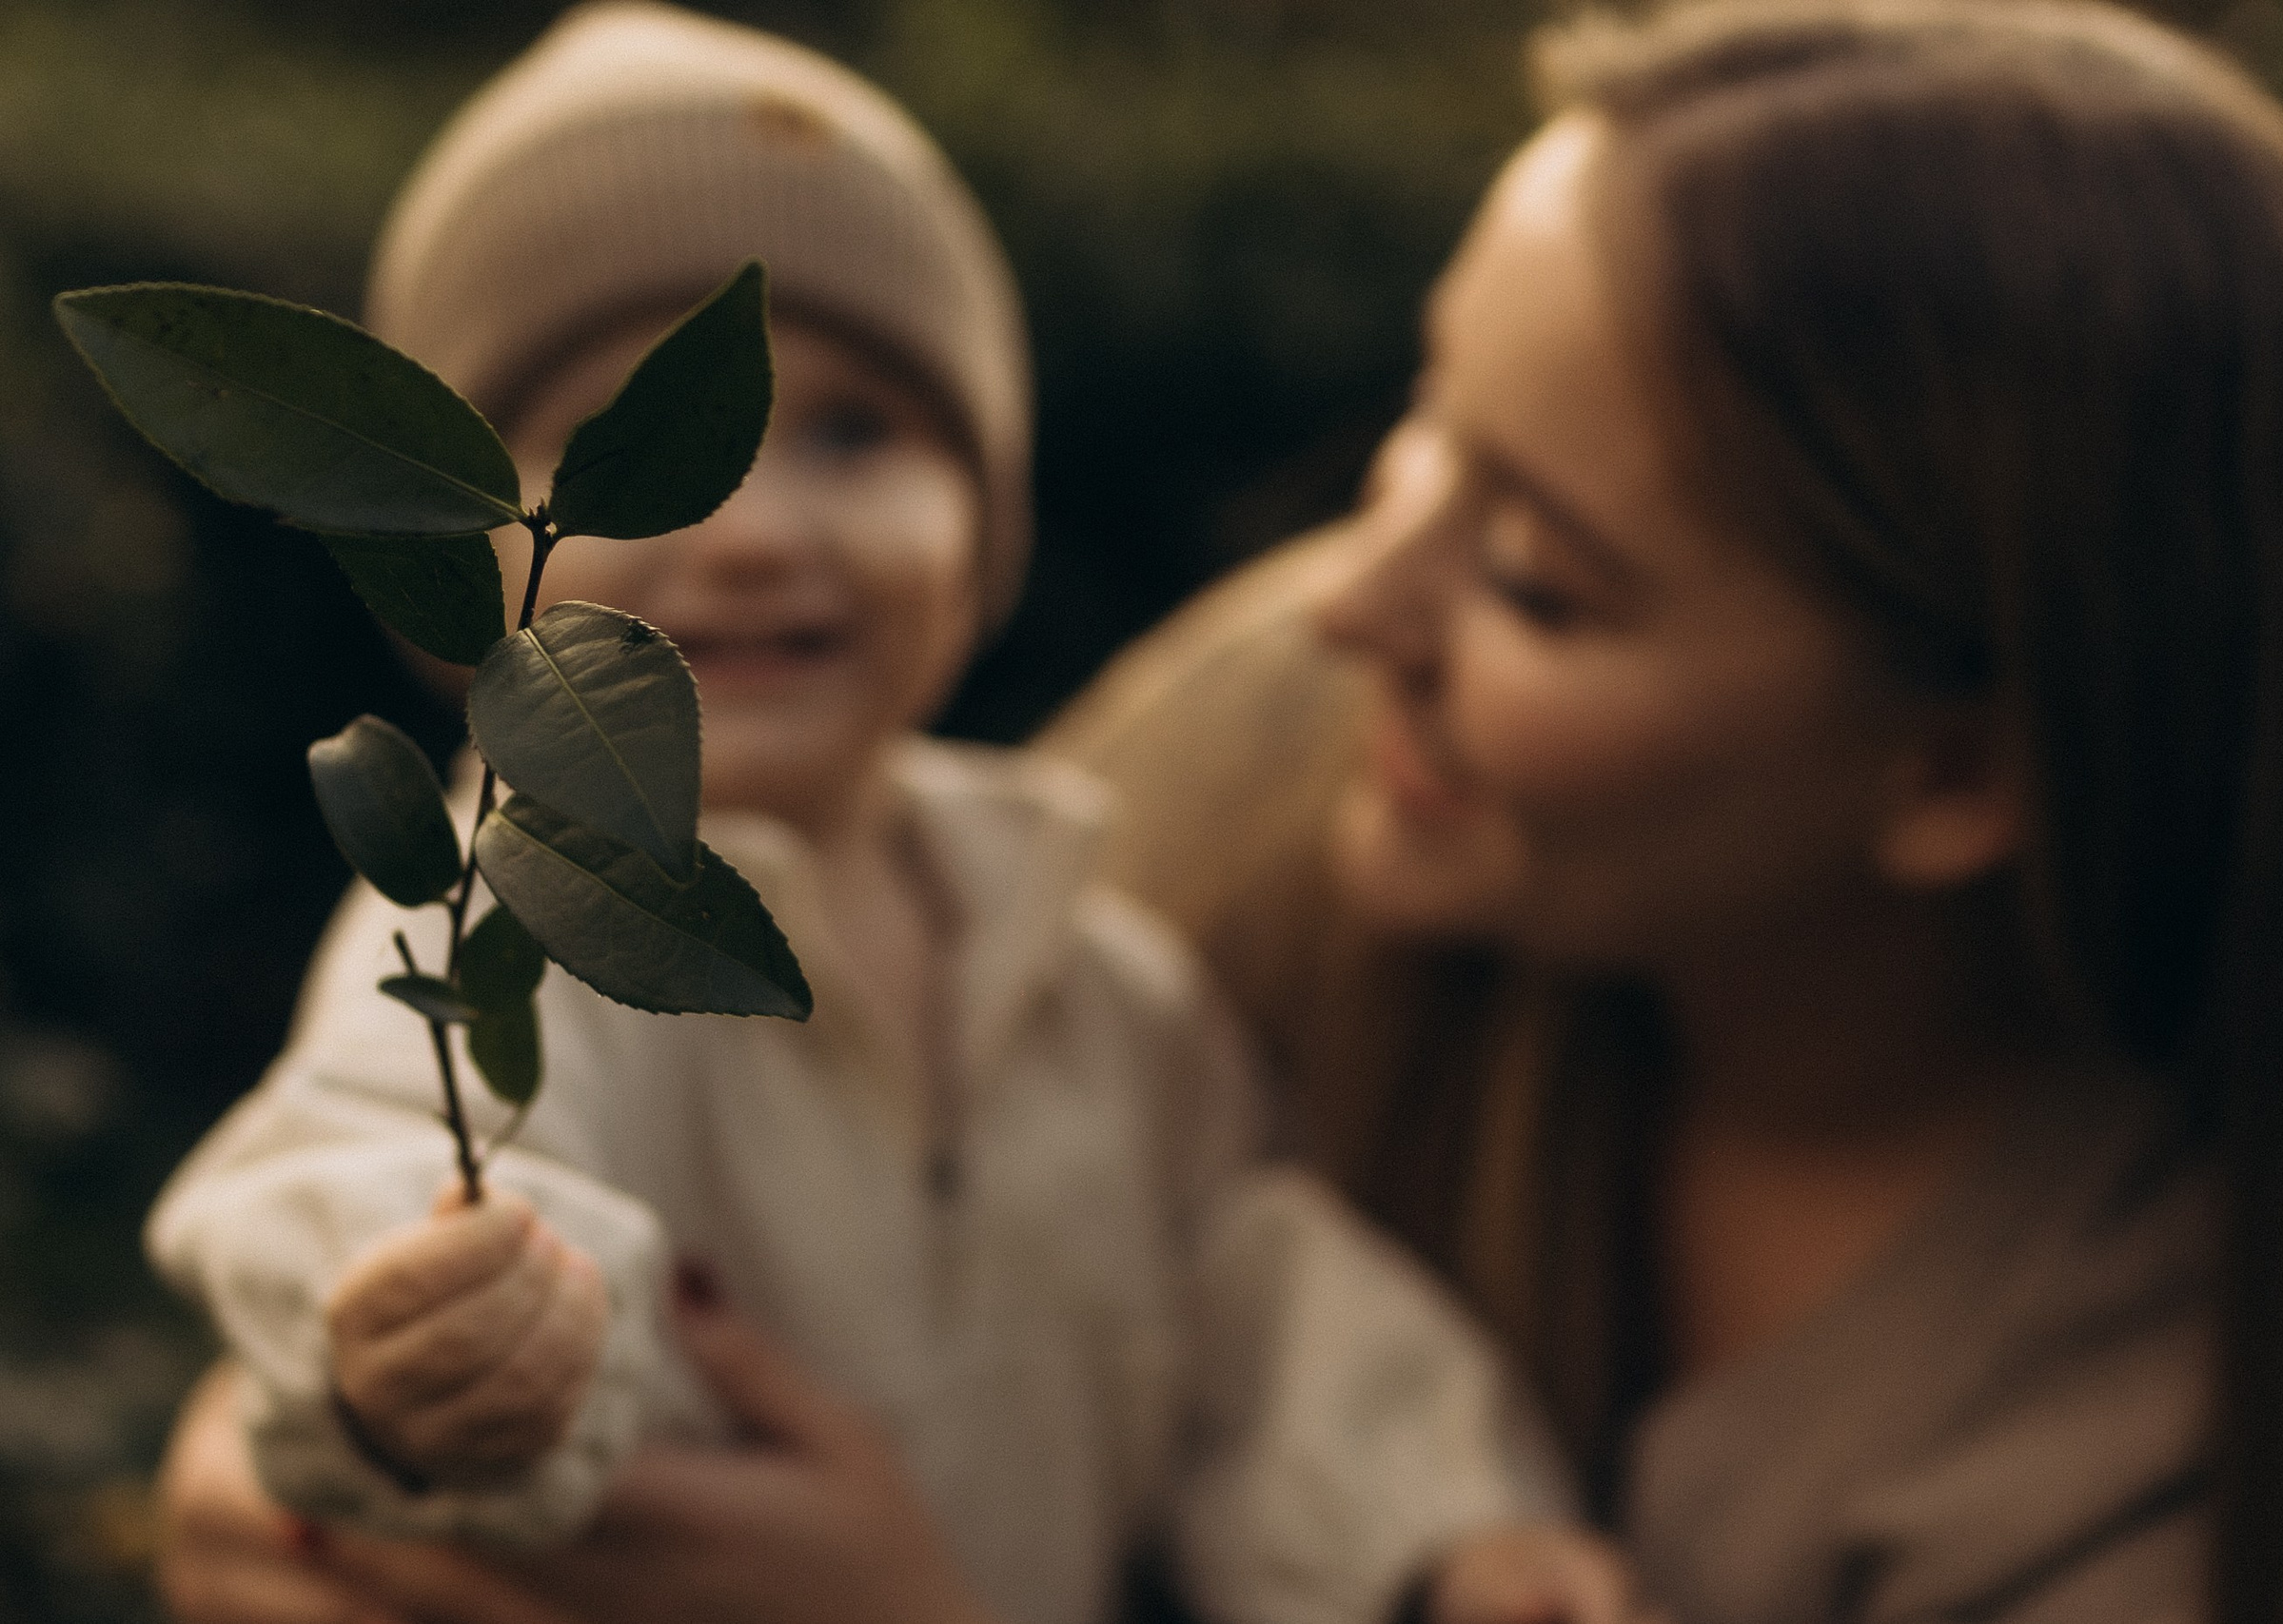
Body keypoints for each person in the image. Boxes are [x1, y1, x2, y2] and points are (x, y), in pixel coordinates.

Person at [142, 8, 1578, 1624]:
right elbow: (383, 1141)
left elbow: (1261, 1314)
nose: (752, 533)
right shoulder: (503, 910)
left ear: (985, 523)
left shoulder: (1097, 971)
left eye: (851, 431)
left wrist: (1446, 1537)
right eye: (629, 457)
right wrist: (428, 1328)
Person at [1050, 2, 2283, 1620]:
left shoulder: (2139, 1468)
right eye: (1429, 423)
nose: (1355, 601)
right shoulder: (1282, 751)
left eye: (1536, 584)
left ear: (1958, 777)